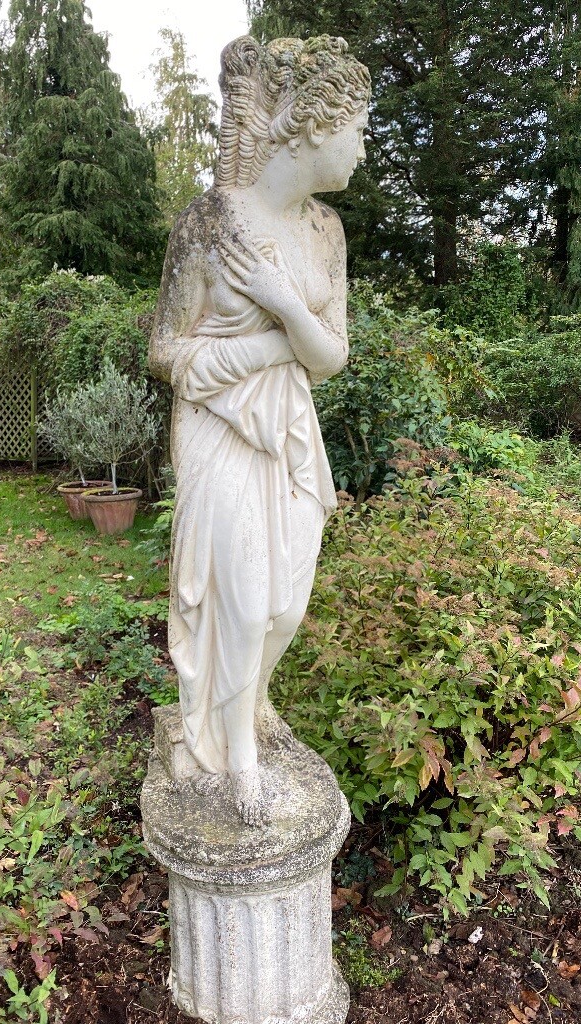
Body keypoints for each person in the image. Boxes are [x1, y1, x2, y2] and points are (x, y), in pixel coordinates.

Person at [149, 34, 371, 826]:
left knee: (283, 606)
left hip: (289, 428)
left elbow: (333, 355)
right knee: (242, 595)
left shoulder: (326, 234)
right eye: (358, 130)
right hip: (217, 425)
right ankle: (235, 757)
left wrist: (281, 300)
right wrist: (273, 338)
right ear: (315, 124)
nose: (362, 147)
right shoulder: (211, 224)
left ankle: (242, 708)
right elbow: (165, 349)